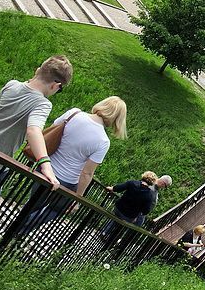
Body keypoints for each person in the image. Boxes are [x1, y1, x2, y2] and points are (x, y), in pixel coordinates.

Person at [0, 56, 71, 244]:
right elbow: (33, 130)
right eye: (60, 89)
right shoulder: (42, 103)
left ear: (39, 70)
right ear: (56, 85)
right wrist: (45, 165)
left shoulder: (12, 84)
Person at [18, 96, 127, 234]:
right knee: (56, 210)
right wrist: (77, 198)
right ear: (117, 118)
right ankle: (21, 231)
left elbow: (51, 130)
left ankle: (15, 228)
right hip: (67, 182)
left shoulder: (74, 113)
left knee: (33, 203)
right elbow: (87, 173)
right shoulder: (103, 141)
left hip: (45, 168)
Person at [101, 171, 157, 242]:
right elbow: (146, 210)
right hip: (129, 216)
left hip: (119, 208)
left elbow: (118, 188)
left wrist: (111, 188)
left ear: (144, 176)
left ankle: (104, 232)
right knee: (120, 227)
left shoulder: (132, 183)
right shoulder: (149, 196)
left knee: (115, 219)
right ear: (152, 182)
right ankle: (110, 241)